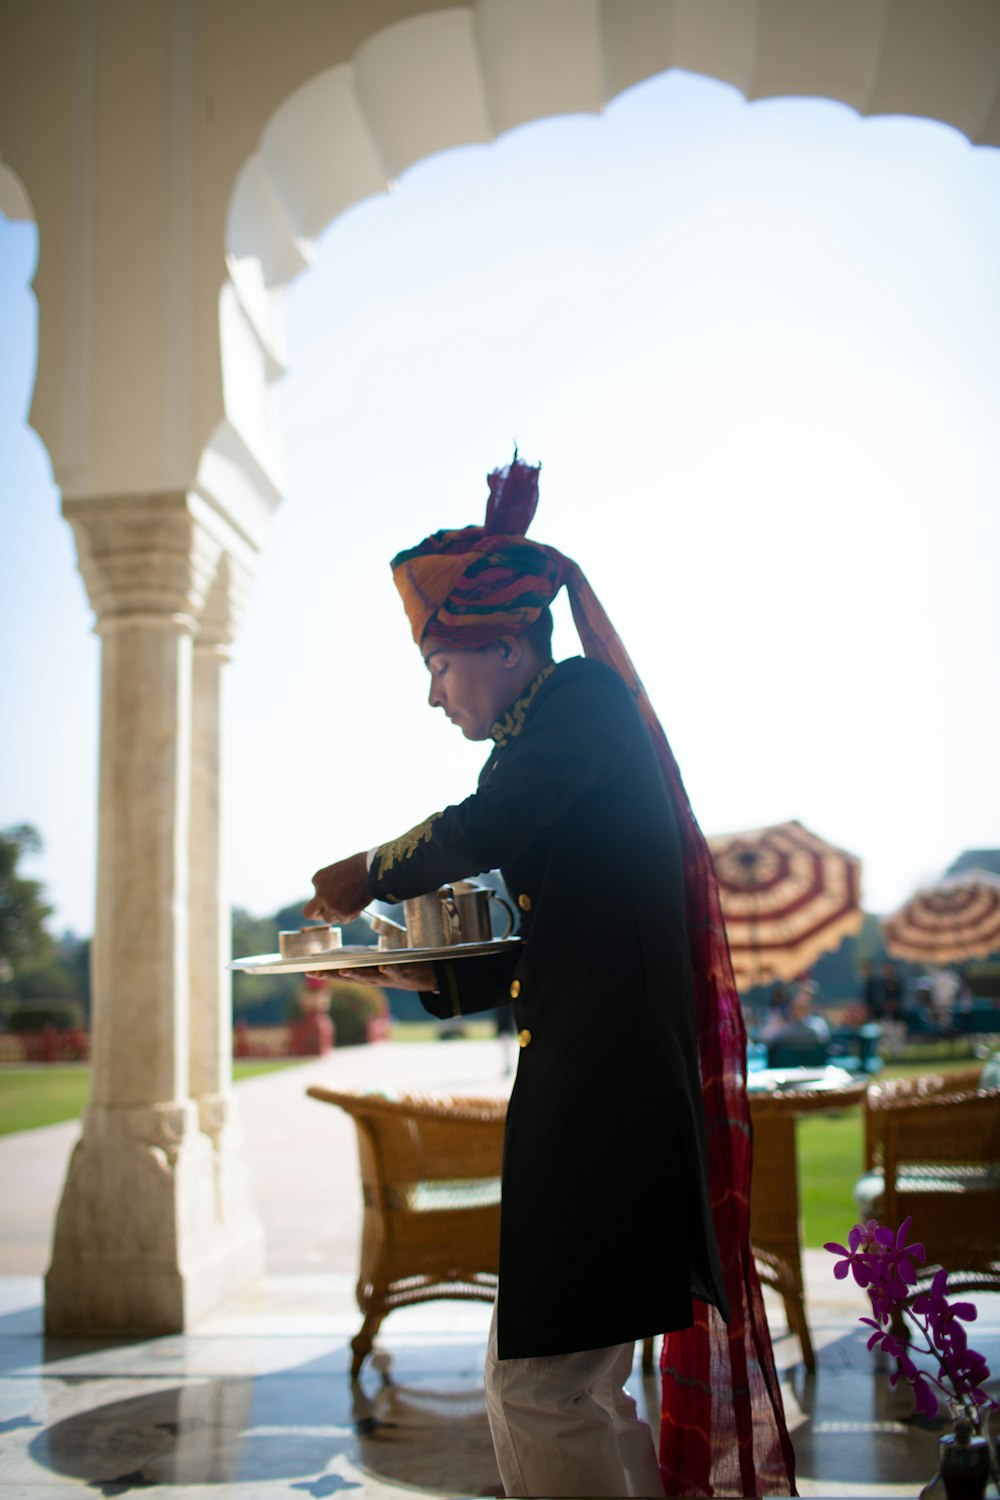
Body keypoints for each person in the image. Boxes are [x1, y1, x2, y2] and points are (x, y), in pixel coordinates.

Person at [304, 454, 794, 1498]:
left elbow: (492, 829)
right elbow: (529, 939)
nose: (435, 696)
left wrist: (369, 873)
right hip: (586, 1105)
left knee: (538, 1392)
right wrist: (397, 973)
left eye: (439, 668)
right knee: (563, 1390)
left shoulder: (581, 705)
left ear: (508, 645)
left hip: (606, 1108)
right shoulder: (540, 739)